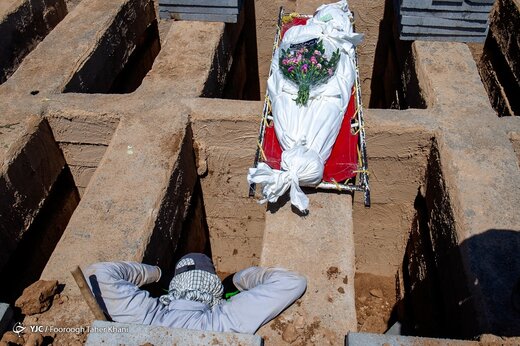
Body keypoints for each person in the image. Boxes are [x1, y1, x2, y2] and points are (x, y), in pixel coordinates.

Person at [84, 253, 307, 334]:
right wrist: (237, 280)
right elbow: (291, 282)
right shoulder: (222, 323)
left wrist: (157, 273)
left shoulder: (144, 316)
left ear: (174, 287)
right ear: (215, 290)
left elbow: (97, 273)